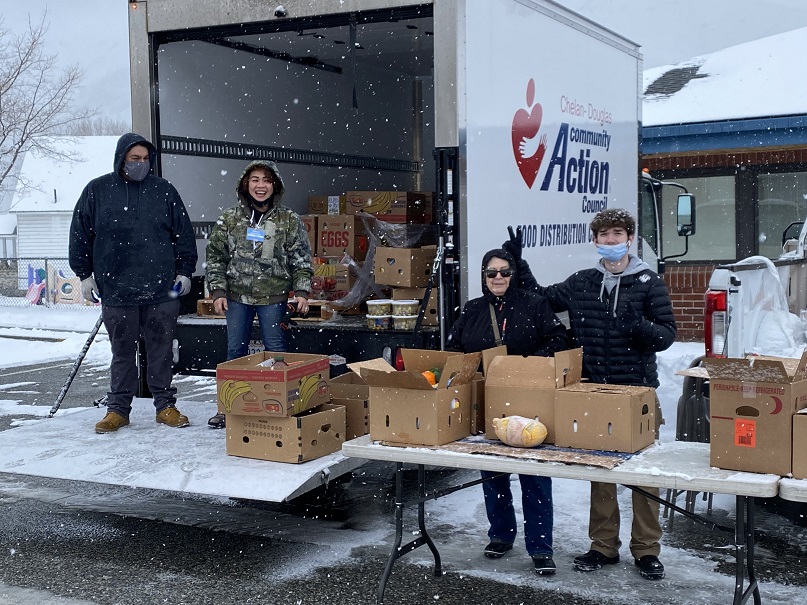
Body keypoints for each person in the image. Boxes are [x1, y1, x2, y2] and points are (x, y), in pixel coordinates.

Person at [505, 209, 676, 580]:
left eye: (618, 234)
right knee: (602, 472)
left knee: (644, 474)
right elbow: (542, 297)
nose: (611, 241)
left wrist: (639, 325)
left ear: (630, 238)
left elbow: (666, 337)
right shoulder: (582, 282)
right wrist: (518, 265)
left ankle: (647, 549)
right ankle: (603, 546)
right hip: (595, 391)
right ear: (595, 240)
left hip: (638, 391)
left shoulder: (649, 282)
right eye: (604, 235)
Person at [446, 248, 569, 576]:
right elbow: (455, 349)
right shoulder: (472, 310)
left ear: (513, 274)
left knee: (535, 476)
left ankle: (540, 546)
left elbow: (560, 339)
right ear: (484, 276)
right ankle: (500, 535)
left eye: (504, 272)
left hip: (531, 402)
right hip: (489, 403)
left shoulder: (534, 304)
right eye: (491, 273)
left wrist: (522, 367)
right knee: (493, 473)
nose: (498, 278)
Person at [69, 133, 198, 434]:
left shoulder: (164, 191)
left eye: (144, 159)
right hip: (117, 289)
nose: (140, 164)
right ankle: (118, 411)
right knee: (122, 352)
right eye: (134, 158)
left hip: (162, 289)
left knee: (161, 351)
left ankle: (165, 406)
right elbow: (80, 235)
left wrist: (185, 271)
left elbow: (183, 234)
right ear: (121, 159)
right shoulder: (97, 191)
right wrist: (84, 275)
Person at [205, 160, 313, 428]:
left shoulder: (288, 220)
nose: (260, 185)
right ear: (245, 184)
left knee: (275, 351)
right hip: (237, 297)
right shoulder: (229, 219)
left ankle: (276, 404)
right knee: (235, 352)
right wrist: (217, 290)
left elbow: (301, 258)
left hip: (273, 298)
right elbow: (216, 257)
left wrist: (301, 291)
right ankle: (229, 407)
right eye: (255, 180)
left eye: (266, 180)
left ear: (274, 185)